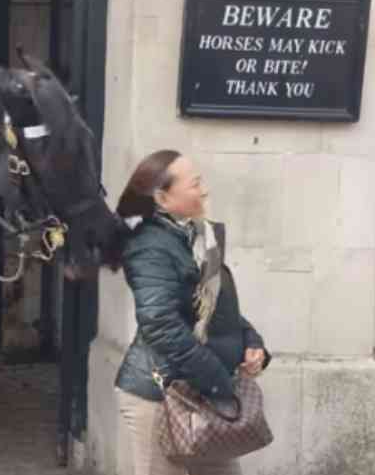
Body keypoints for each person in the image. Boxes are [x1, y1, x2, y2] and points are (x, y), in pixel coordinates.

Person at [113, 150, 270, 475]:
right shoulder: (149, 246)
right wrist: (217, 380)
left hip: (204, 392)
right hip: (160, 396)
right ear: (162, 197)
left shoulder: (200, 237)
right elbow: (160, 324)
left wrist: (252, 344)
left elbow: (217, 307)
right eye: (195, 184)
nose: (204, 190)